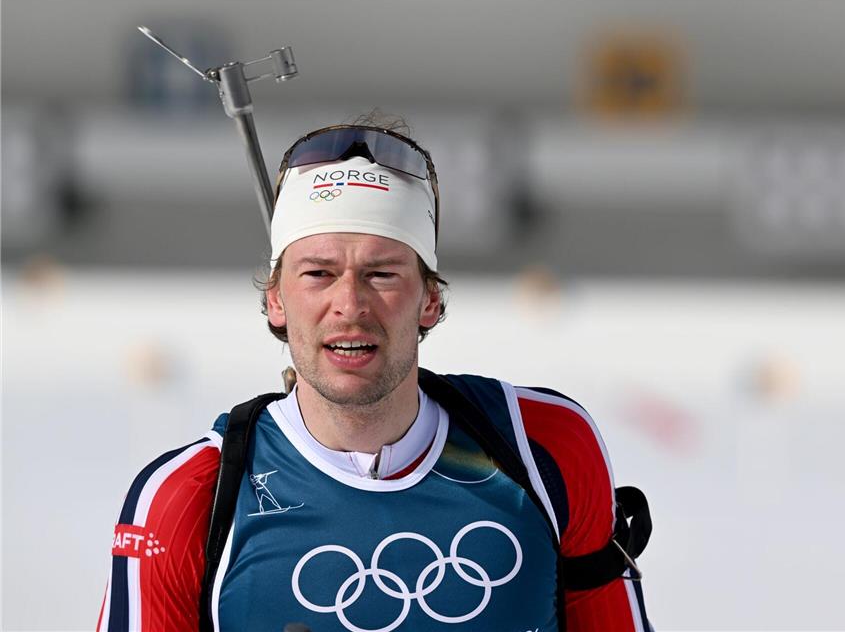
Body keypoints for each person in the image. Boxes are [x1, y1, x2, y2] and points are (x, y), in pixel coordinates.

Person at [98, 121, 653, 632]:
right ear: (275, 302)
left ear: (430, 300)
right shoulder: (187, 498)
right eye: (318, 273)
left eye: (381, 273)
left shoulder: (542, 444)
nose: (349, 304)